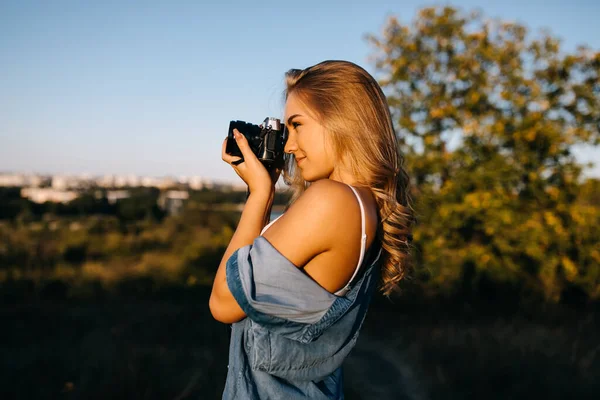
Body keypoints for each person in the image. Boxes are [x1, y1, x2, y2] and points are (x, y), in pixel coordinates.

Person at [210, 60, 415, 399]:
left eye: (297, 125)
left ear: (341, 120)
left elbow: (223, 303)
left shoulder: (331, 201)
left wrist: (260, 195)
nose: (288, 146)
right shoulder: (363, 206)